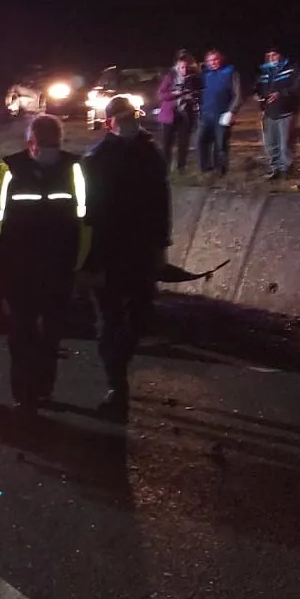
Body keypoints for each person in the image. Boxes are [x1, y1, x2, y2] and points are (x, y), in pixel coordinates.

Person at [0, 115, 88, 412]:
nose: (45, 148)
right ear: (30, 143)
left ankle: (33, 391)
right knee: (29, 334)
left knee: (38, 334)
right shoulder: (10, 169)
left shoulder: (74, 169)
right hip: (35, 269)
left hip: (44, 269)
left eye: (50, 143)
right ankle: (31, 392)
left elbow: (86, 219)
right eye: (44, 143)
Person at [79, 98, 172, 418]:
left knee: (139, 316)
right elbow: (88, 212)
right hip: (108, 252)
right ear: (109, 123)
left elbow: (161, 203)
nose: (129, 123)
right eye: (122, 118)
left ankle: (119, 368)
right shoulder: (96, 159)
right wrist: (89, 259)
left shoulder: (150, 154)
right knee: (110, 320)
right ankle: (116, 384)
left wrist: (161, 245)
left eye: (132, 117)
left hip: (141, 252)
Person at [255, 46, 300, 180]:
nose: (272, 58)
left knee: (285, 144)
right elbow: (258, 87)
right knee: (271, 144)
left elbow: (297, 87)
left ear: (281, 56)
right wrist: (258, 95)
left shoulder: (291, 69)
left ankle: (287, 170)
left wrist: (281, 94)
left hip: (286, 111)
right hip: (269, 112)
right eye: (269, 56)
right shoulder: (265, 72)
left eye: (274, 55)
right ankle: (275, 169)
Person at [196, 50, 242, 177]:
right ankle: (205, 169)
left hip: (222, 114)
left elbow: (238, 95)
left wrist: (231, 111)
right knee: (201, 141)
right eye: (210, 60)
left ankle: (220, 171)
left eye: (215, 59)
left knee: (220, 144)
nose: (213, 63)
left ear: (220, 59)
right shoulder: (205, 74)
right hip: (206, 114)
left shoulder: (230, 72)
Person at [156, 51, 201, 174]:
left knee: (183, 143)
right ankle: (165, 169)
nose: (184, 70)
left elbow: (198, 93)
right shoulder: (170, 77)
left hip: (185, 115)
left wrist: (192, 97)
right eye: (182, 67)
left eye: (186, 67)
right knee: (167, 144)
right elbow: (161, 95)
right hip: (169, 115)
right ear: (177, 67)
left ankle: (181, 168)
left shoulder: (193, 78)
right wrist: (175, 94)